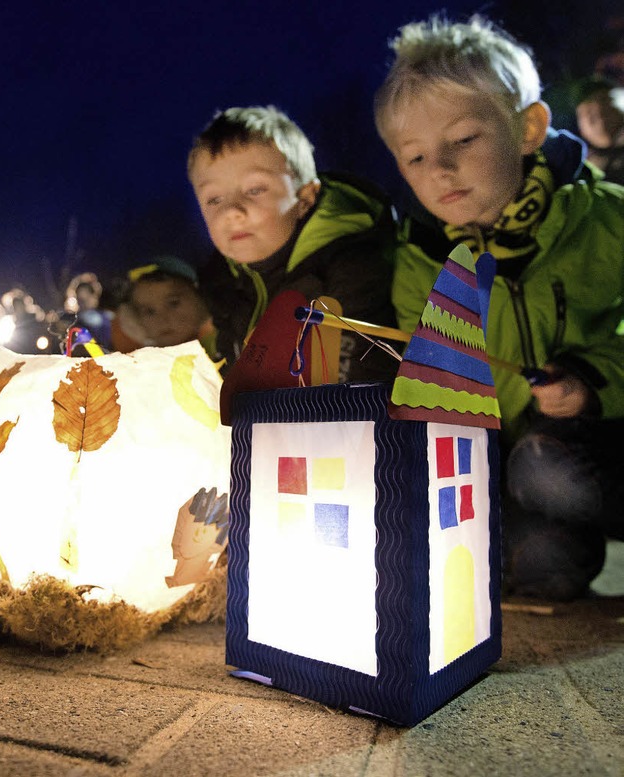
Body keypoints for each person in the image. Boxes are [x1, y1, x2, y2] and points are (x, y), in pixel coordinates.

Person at [374, 15, 624, 600]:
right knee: (537, 562)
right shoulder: (421, 260)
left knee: (549, 471)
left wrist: (593, 381)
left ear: (528, 128)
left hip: (600, 437)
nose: (438, 169)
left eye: (462, 140)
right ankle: (554, 548)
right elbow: (427, 370)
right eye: (414, 158)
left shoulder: (609, 220)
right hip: (503, 463)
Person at [186, 105, 400, 383]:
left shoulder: (352, 268)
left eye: (255, 190)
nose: (231, 212)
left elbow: (357, 384)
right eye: (214, 199)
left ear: (305, 199)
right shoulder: (223, 281)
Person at [113, 255, 216, 352]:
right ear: (134, 319)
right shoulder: (140, 365)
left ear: (200, 300)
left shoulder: (222, 346)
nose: (162, 319)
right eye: (149, 311)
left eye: (174, 303)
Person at [574, 77, 624, 185]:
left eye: (605, 103)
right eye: (590, 114)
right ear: (581, 128)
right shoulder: (577, 170)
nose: (600, 117)